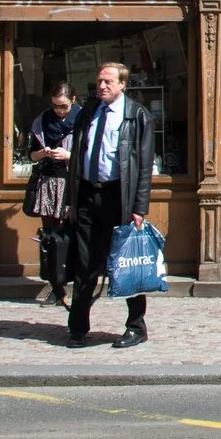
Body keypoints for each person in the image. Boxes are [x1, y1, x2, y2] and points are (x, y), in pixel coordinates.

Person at [66, 61, 158, 347]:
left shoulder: (136, 116)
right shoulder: (88, 113)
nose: (102, 86)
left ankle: (136, 327)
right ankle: (77, 328)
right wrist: (71, 200)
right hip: (87, 196)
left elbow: (143, 166)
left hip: (120, 197)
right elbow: (76, 159)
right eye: (100, 81)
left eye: (108, 82)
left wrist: (139, 207)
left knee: (126, 264)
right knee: (84, 265)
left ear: (122, 84)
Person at [26, 82, 79, 305]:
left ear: (73, 100)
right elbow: (31, 156)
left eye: (64, 106)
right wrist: (43, 153)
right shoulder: (42, 121)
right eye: (56, 106)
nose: (60, 111)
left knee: (71, 234)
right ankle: (56, 289)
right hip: (48, 182)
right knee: (50, 237)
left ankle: (75, 285)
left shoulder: (83, 119)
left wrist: (68, 155)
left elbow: (89, 155)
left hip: (72, 183)